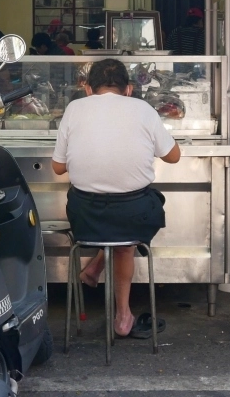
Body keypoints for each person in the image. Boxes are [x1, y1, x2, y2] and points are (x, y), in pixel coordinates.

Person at [51, 59, 181, 338]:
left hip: (85, 217)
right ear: (129, 89)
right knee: (128, 235)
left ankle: (96, 265)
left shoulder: (74, 109)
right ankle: (123, 316)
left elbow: (58, 167)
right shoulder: (143, 109)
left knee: (112, 221)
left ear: (87, 89)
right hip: (134, 214)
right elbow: (174, 156)